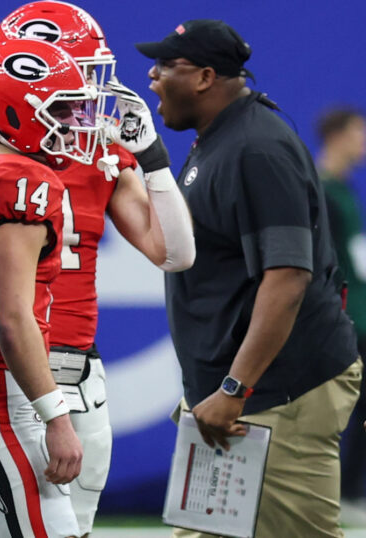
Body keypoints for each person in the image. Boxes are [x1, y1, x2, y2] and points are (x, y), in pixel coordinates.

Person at [139, 20, 362, 537]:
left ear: (204, 77)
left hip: (275, 394)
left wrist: (236, 386)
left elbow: (287, 277)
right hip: (236, 397)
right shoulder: (218, 139)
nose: (151, 77)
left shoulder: (256, 147)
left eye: (165, 66)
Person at [0, 3, 196, 535]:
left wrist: (151, 155)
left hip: (78, 367)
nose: (87, 94)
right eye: (77, 77)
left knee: (72, 525)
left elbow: (174, 253)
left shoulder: (99, 149)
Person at [0, 37, 97, 538]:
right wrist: (54, 415)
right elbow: (10, 316)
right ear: (14, 112)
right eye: (60, 110)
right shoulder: (20, 179)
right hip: (4, 394)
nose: (73, 123)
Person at [315, 107, 366, 514]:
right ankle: (336, 493)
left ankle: (351, 491)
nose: (363, 141)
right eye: (358, 132)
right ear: (337, 135)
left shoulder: (345, 188)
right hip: (342, 320)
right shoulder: (320, 188)